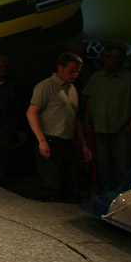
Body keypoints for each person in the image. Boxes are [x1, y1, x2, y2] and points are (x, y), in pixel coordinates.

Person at [27, 53, 92, 202]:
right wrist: (41, 140)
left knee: (71, 184)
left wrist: (83, 144)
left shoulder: (72, 89)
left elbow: (75, 119)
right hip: (50, 140)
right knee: (52, 185)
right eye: (72, 71)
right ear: (60, 68)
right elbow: (31, 113)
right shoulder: (46, 86)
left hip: (67, 142)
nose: (75, 75)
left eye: (78, 72)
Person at [83, 47, 131, 193]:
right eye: (103, 56)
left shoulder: (130, 79)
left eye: (108, 56)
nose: (104, 59)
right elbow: (90, 98)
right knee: (103, 166)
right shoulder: (97, 77)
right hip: (101, 128)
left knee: (123, 167)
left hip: (121, 129)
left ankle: (121, 198)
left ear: (118, 59)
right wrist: (87, 121)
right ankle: (103, 196)